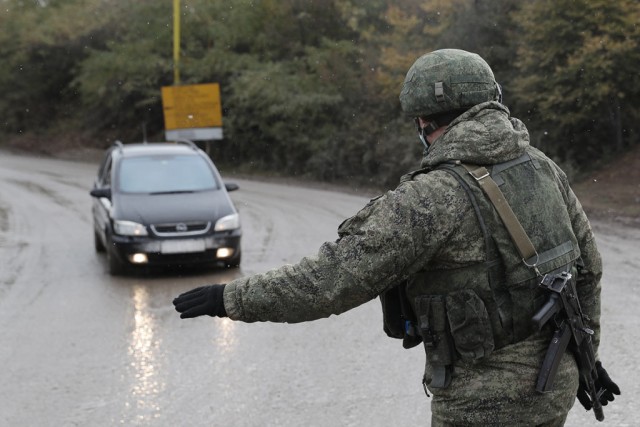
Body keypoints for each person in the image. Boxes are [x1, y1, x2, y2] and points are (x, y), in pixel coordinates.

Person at [173, 49, 619, 426]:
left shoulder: (430, 197)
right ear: (492, 102)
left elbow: (329, 281)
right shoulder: (541, 166)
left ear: (424, 121)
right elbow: (588, 269)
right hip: (553, 385)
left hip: (483, 406)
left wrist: (230, 298)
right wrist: (585, 358)